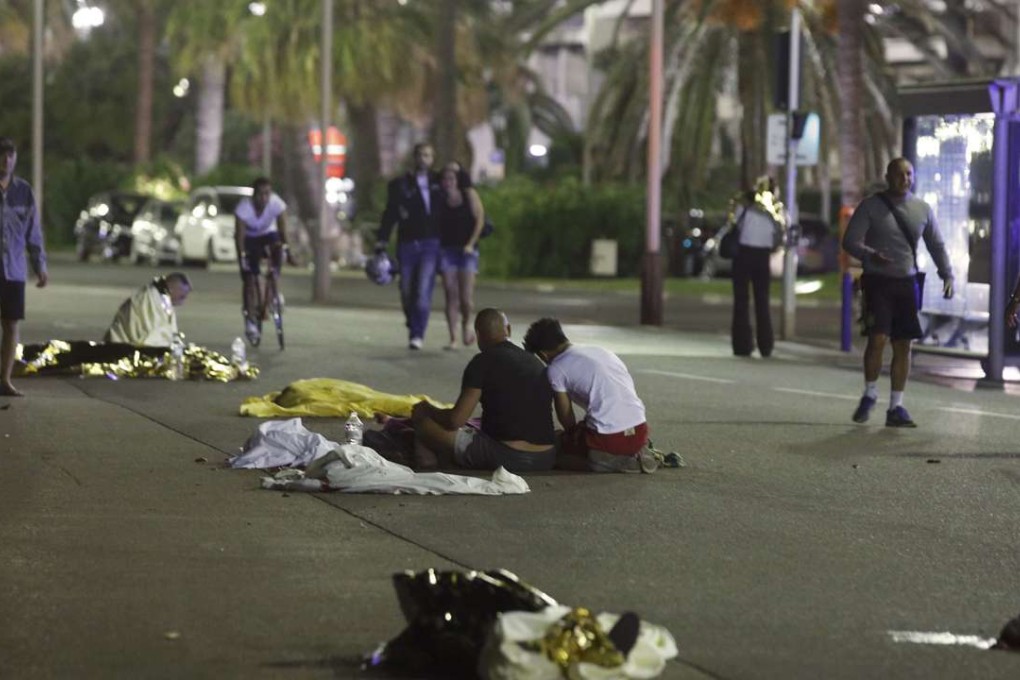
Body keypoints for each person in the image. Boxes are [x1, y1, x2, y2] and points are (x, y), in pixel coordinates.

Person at [842, 157, 954, 427]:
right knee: (878, 339)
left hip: (907, 283)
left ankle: (896, 407)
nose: (905, 179)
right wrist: (870, 255)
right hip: (878, 282)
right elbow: (850, 241)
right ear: (887, 177)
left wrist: (947, 274)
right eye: (899, 174)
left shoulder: (922, 209)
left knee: (904, 344)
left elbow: (936, 245)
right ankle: (870, 393)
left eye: (909, 174)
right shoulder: (871, 206)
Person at [410, 308, 556, 472]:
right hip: (546, 457)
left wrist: (428, 409)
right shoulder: (534, 362)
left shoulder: (482, 362)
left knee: (423, 422)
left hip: (505, 457)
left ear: (478, 335)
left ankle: (428, 467)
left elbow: (455, 420)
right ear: (508, 330)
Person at [522, 318, 655, 473]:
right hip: (640, 430)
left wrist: (571, 439)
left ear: (543, 355)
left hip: (610, 439)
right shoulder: (601, 351)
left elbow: (566, 415)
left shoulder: (556, 369)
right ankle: (637, 451)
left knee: (556, 451)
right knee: (586, 427)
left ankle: (612, 462)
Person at [375, 142, 441, 350]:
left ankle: (417, 333)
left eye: (428, 155)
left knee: (422, 290)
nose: (424, 159)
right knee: (405, 290)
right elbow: (390, 213)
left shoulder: (439, 182)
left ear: (433, 159)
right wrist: (382, 240)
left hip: (431, 244)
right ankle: (413, 320)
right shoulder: (401, 184)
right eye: (420, 154)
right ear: (414, 157)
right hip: (407, 244)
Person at [0, 137, 47, 397]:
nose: (6, 160)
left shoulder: (24, 191)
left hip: (14, 269)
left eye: (10, 155)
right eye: (2, 155)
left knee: (11, 324)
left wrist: (40, 265)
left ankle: (4, 380)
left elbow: (33, 232)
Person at [234, 177, 294, 345]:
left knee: (278, 247)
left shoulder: (276, 203)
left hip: (268, 235)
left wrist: (288, 251)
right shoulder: (243, 208)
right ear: (253, 195)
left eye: (267, 194)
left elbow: (283, 230)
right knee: (249, 279)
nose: (263, 198)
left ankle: (274, 290)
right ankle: (250, 321)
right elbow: (239, 237)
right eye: (260, 194)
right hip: (250, 239)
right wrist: (242, 259)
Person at [730, 178, 783, 358]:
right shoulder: (774, 212)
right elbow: (778, 237)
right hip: (762, 256)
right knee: (762, 301)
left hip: (743, 255)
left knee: (741, 301)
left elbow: (734, 226)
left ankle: (742, 345)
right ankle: (765, 345)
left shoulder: (744, 209)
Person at [436, 163, 485, 350]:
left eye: (451, 179)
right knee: (450, 293)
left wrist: (471, 243)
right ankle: (453, 338)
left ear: (457, 180)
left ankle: (466, 324)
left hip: (467, 251)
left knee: (465, 297)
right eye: (444, 179)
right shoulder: (440, 199)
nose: (447, 182)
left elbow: (479, 219)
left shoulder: (469, 194)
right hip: (447, 250)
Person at [104, 273, 191, 347]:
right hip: (121, 349)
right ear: (172, 289)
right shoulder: (149, 299)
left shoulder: (162, 298)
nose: (183, 301)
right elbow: (150, 338)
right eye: (182, 297)